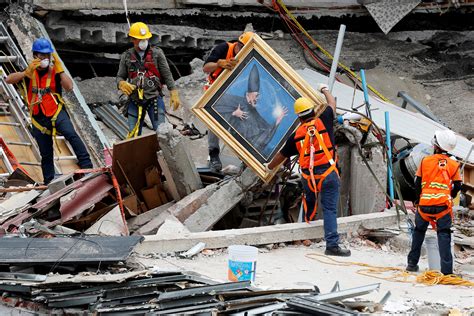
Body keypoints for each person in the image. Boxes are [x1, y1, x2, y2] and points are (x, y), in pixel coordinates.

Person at [265, 84, 350, 257]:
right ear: (313, 110)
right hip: (328, 174)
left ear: (298, 118)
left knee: (309, 202)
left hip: (309, 177)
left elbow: (279, 158)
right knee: (329, 210)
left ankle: (305, 233)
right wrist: (324, 89)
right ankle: (332, 245)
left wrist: (267, 168)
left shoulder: (296, 135)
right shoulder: (325, 119)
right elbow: (331, 102)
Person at [6, 38, 93, 184]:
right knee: (45, 152)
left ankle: (87, 167)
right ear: (35, 55)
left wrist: (61, 70)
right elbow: (9, 79)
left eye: (48, 55)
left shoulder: (55, 71)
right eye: (42, 55)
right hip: (38, 117)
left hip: (56, 111)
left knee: (71, 134)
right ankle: (49, 181)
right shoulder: (29, 72)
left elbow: (69, 87)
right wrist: (24, 73)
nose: (45, 59)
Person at [406, 130, 462, 275]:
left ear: (436, 146)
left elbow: (417, 183)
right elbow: (458, 186)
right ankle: (447, 272)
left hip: (424, 205)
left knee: (419, 232)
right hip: (443, 205)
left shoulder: (425, 161)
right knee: (443, 234)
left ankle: (412, 264)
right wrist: (449, 195)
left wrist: (417, 201)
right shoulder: (453, 164)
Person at [117, 22, 180, 138]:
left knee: (162, 133)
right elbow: (120, 76)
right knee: (133, 135)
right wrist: (121, 83)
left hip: (154, 98)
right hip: (134, 99)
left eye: (145, 38)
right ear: (132, 39)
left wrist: (173, 91)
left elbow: (167, 74)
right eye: (140, 39)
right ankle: (135, 155)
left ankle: (164, 155)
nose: (143, 41)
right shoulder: (126, 56)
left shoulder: (157, 53)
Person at [202, 31, 254, 171]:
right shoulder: (224, 48)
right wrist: (219, 63)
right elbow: (206, 68)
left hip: (234, 93)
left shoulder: (248, 57)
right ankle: (213, 155)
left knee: (240, 123)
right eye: (242, 49)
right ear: (238, 45)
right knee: (214, 123)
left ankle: (245, 158)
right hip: (215, 90)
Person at [213, 64, 287, 154]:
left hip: (247, 147)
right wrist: (234, 113)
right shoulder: (236, 101)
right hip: (235, 139)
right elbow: (215, 107)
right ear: (248, 94)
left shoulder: (255, 109)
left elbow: (264, 131)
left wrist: (277, 121)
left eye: (258, 95)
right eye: (255, 95)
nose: (257, 98)